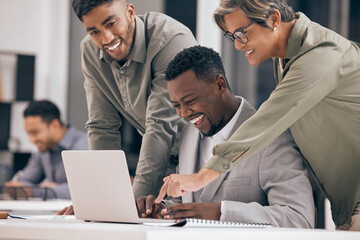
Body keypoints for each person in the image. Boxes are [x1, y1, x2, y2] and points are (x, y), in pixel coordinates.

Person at [155, 0, 360, 231]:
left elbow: (268, 120)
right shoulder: (285, 59)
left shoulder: (320, 56)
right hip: (347, 203)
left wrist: (201, 177)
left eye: (242, 33)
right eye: (232, 37)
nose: (238, 46)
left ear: (274, 19)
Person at [136, 46, 315, 228]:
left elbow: (299, 218)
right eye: (176, 105)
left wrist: (220, 212)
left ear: (220, 84)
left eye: (189, 101)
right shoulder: (188, 135)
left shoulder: (271, 137)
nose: (183, 113)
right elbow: (193, 206)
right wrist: (164, 209)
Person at [72, 0, 197, 198]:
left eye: (111, 23)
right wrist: (103, 200)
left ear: (130, 12)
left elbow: (160, 125)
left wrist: (136, 202)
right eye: (94, 31)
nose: (107, 39)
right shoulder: (90, 51)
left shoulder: (170, 39)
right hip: (161, 165)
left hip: (202, 162)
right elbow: (101, 127)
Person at [4, 100, 88, 199]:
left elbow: (85, 189)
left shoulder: (84, 145)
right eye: (29, 134)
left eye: (35, 132)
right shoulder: (44, 148)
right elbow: (24, 183)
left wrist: (42, 191)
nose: (32, 140)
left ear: (55, 125)